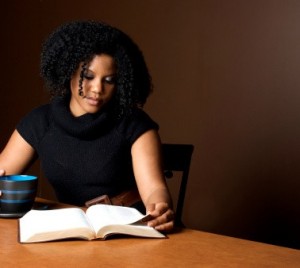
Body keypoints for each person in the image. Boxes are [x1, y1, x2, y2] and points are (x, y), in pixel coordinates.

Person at [0, 20, 174, 231]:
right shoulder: (40, 122)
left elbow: (154, 189)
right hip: (73, 230)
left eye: (109, 80)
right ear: (69, 72)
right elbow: (3, 172)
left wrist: (160, 207)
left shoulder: (134, 124)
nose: (97, 88)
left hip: (131, 228)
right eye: (88, 76)